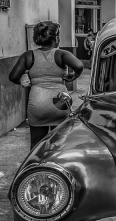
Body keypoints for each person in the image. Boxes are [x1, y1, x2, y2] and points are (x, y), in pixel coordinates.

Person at [7, 21, 84, 149]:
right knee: (59, 145)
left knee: (36, 146)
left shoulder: (28, 56)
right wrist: (73, 76)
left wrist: (25, 81)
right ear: (56, 38)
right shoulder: (62, 54)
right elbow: (79, 66)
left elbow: (13, 76)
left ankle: (36, 161)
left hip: (37, 104)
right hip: (60, 103)